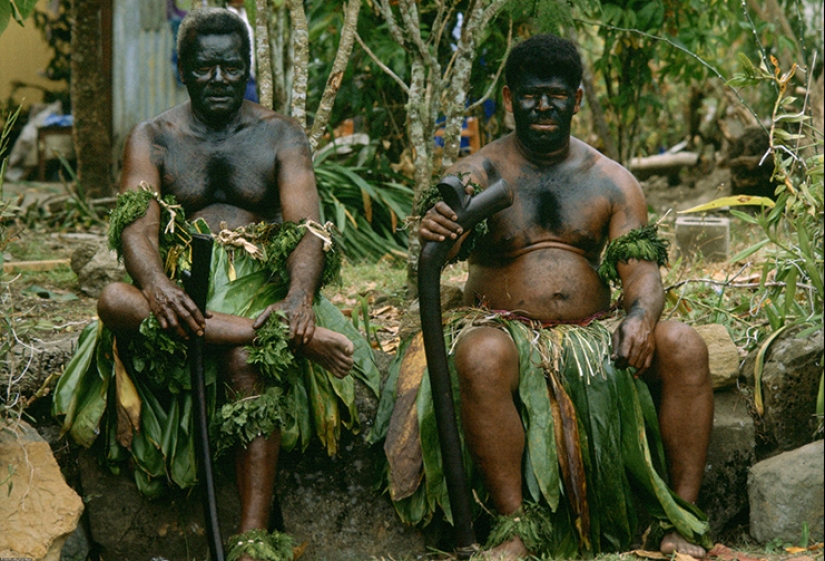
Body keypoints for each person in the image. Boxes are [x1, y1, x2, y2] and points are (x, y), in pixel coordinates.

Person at [52, 8, 379, 561]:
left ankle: (251, 540)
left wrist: (298, 298)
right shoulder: (152, 137)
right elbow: (136, 227)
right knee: (113, 299)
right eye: (205, 67)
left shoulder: (280, 134)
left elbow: (308, 228)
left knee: (244, 361)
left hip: (260, 288)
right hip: (182, 292)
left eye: (231, 67)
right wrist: (157, 285)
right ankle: (268, 334)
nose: (219, 79)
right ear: (183, 69)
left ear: (247, 66)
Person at [373, 33, 713, 560]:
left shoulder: (611, 180)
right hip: (506, 332)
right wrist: (441, 223)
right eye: (530, 95)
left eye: (555, 95)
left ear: (576, 100)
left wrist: (641, 317)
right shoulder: (480, 171)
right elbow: (448, 232)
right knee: (480, 355)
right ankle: (516, 530)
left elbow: (641, 271)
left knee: (685, 345)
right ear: (509, 99)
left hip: (592, 336)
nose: (543, 106)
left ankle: (680, 520)